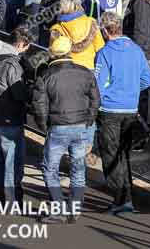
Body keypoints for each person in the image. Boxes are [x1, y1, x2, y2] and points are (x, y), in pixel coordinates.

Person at [32, 36, 100, 224]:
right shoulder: (85, 72)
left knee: (50, 168)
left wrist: (44, 126)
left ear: (52, 53)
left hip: (58, 127)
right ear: (71, 51)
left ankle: (59, 208)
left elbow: (39, 105)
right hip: (81, 126)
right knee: (78, 168)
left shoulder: (46, 75)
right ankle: (75, 209)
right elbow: (96, 101)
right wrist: (89, 121)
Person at [94, 12, 150, 214]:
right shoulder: (136, 50)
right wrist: (131, 90)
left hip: (110, 110)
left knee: (110, 156)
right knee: (124, 156)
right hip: (130, 109)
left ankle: (121, 200)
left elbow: (98, 86)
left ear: (104, 31)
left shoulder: (104, 53)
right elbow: (149, 79)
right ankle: (127, 198)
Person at [0, 27, 31, 205]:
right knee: (12, 162)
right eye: (26, 47)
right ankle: (12, 201)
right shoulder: (12, 65)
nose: (25, 51)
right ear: (19, 44)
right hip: (10, 118)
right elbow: (19, 94)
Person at [49, 0, 105, 70]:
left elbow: (54, 54)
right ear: (78, 6)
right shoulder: (91, 23)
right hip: (89, 68)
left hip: (67, 69)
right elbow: (100, 49)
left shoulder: (57, 29)